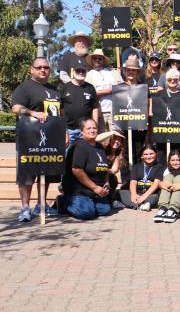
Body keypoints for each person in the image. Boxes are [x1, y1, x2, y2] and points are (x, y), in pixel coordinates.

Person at [11, 57, 62, 221]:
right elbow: (15, 108)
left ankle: (41, 204)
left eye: (46, 67)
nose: (42, 70)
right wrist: (33, 113)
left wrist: (64, 132)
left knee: (46, 172)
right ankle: (25, 208)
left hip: (50, 138)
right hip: (28, 137)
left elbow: (58, 113)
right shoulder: (24, 88)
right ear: (31, 69)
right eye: (39, 67)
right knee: (27, 173)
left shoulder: (53, 89)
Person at [61, 118, 112, 220]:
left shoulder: (99, 146)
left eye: (94, 128)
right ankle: (63, 202)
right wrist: (95, 188)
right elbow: (77, 170)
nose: (92, 130)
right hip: (79, 191)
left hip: (95, 192)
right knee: (87, 213)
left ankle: (89, 203)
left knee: (106, 210)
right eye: (88, 128)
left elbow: (105, 167)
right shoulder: (79, 146)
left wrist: (106, 182)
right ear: (81, 131)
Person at [59, 64, 100, 147]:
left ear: (86, 73)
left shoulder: (90, 88)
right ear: (73, 72)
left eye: (83, 71)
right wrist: (64, 130)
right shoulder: (64, 87)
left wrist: (95, 126)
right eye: (78, 71)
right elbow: (60, 109)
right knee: (68, 155)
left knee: (85, 154)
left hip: (85, 130)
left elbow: (95, 108)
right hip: (69, 129)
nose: (80, 73)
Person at [85, 49, 123, 132]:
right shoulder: (88, 75)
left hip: (115, 111)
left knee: (117, 137)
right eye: (95, 58)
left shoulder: (113, 72)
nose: (97, 60)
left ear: (104, 60)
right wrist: (108, 91)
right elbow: (88, 94)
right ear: (92, 60)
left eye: (100, 58)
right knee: (102, 140)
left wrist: (99, 92)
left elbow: (122, 89)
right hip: (98, 113)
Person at [121, 144, 163, 210]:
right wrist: (133, 194)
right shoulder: (136, 166)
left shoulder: (160, 167)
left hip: (151, 194)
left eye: (151, 154)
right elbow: (133, 182)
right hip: (138, 193)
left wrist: (144, 196)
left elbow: (156, 184)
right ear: (142, 156)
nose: (148, 157)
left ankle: (135, 205)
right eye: (145, 154)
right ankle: (140, 205)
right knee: (122, 192)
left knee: (154, 198)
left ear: (156, 154)